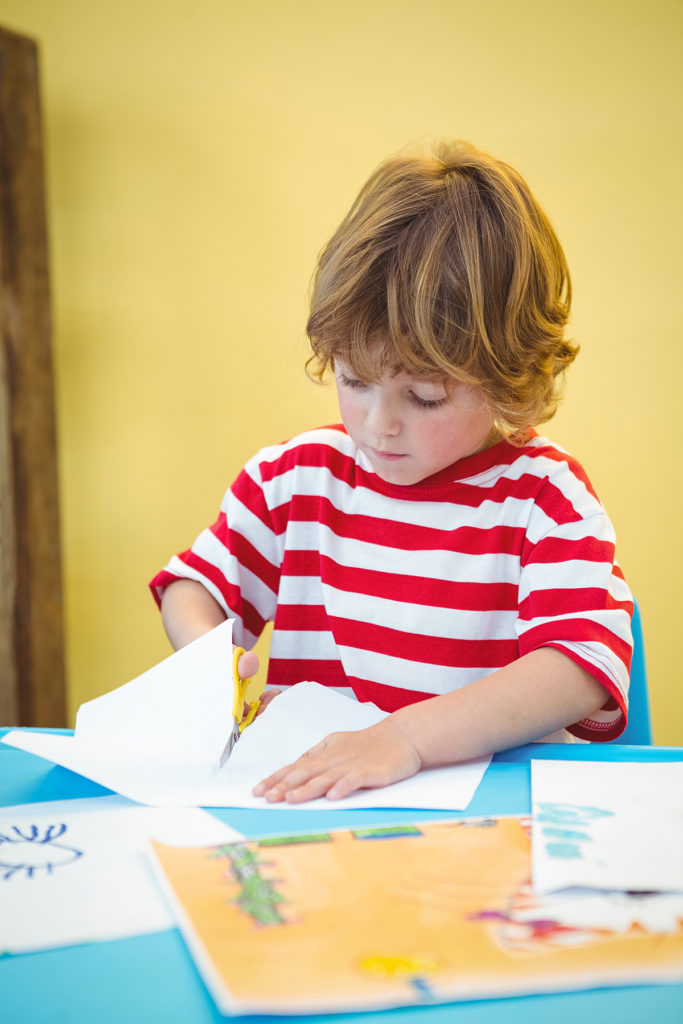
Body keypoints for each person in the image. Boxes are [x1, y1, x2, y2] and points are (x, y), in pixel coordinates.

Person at [150, 140, 633, 804]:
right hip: (311, 817)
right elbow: (190, 590)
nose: (378, 424)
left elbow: (579, 668)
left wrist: (405, 738)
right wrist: (209, 661)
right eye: (353, 380)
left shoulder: (542, 501)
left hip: (481, 832)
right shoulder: (295, 480)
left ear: (506, 376)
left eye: (424, 397)